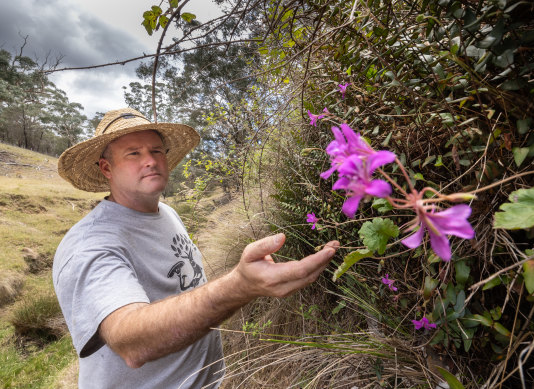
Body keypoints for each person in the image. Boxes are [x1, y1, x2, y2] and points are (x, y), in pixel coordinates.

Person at [53, 108, 339, 388]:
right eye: (133, 153)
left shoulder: (165, 213)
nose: (150, 161)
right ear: (106, 168)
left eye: (156, 151)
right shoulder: (90, 245)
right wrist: (240, 285)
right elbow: (131, 343)